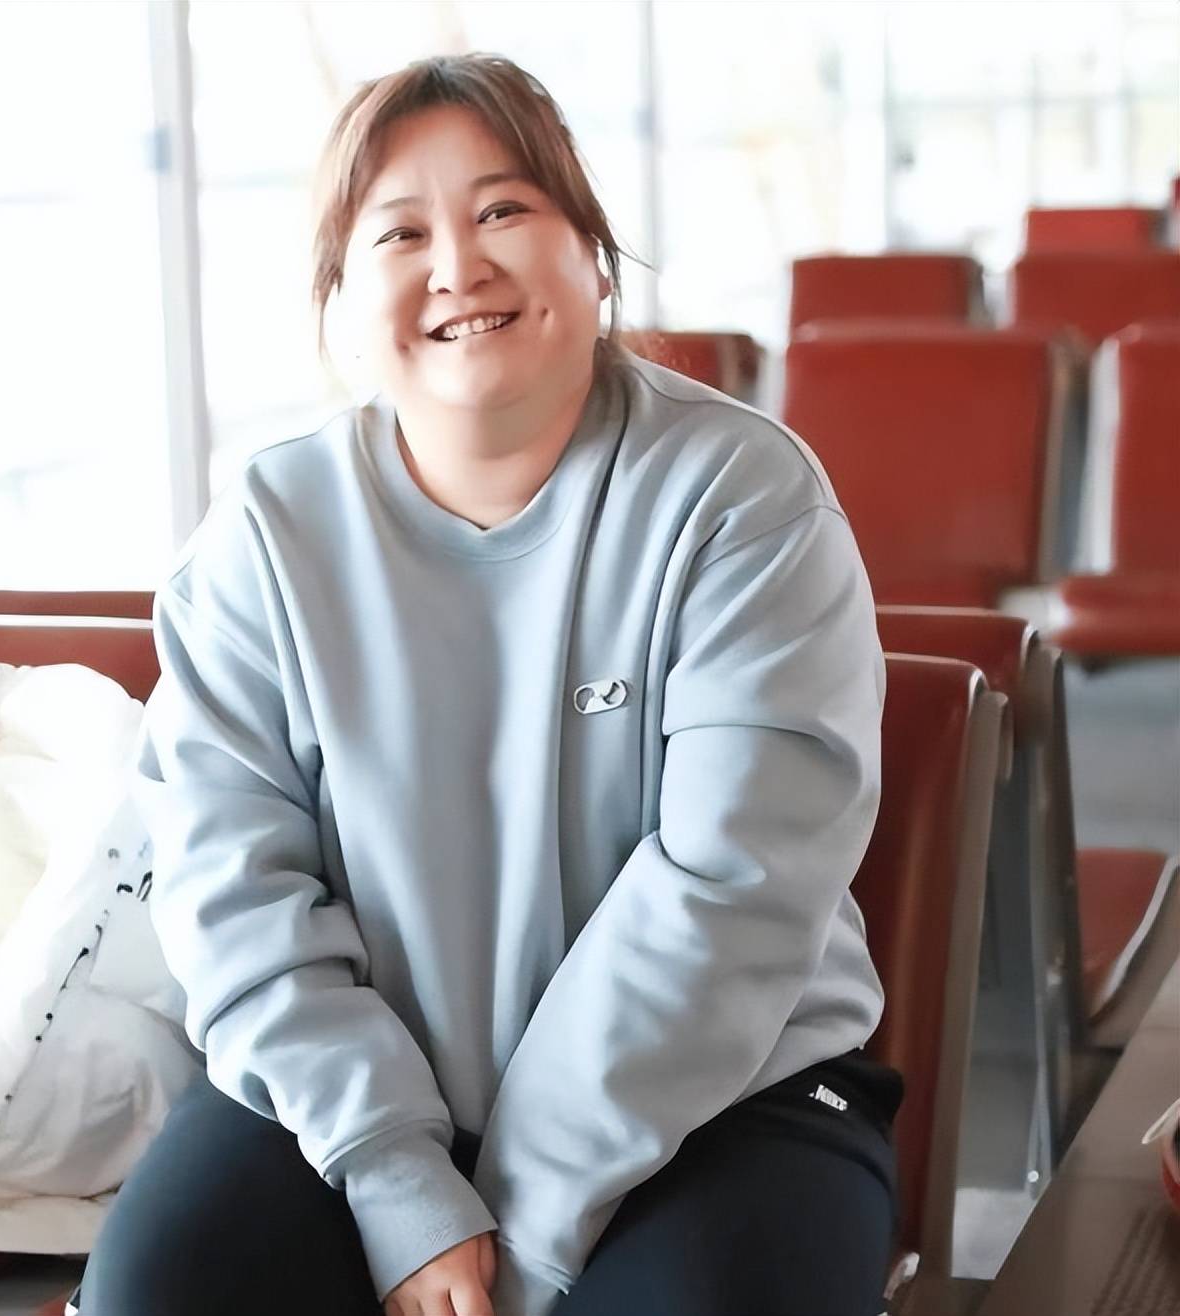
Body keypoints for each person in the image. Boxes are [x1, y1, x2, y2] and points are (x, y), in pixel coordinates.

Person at [76, 51, 903, 1316]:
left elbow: (726, 894)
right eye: (400, 233)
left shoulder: (744, 501)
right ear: (343, 298)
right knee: (157, 1290)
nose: (457, 266)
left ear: (592, 255)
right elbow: (233, 897)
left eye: (504, 209)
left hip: (725, 1097)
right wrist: (399, 1180)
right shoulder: (259, 539)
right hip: (350, 1103)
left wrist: (515, 1229)